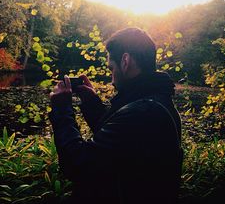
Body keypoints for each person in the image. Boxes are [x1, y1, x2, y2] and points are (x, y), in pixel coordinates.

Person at [49, 27, 183, 204]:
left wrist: (61, 110)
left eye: (111, 68)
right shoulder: (156, 102)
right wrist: (92, 104)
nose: (112, 79)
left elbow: (79, 166)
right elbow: (118, 142)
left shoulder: (142, 112)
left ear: (125, 61)